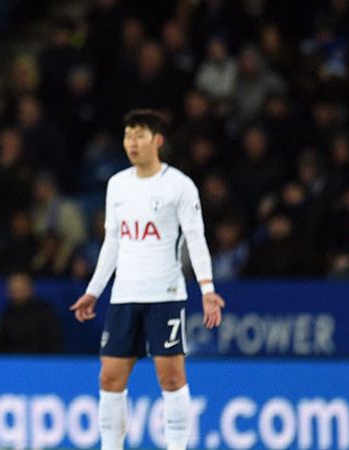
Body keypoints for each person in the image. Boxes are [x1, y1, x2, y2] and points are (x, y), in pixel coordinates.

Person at [69, 110, 226, 450]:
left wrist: (208, 290)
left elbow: (196, 238)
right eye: (127, 136)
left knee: (170, 378)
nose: (132, 143)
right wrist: (93, 291)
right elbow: (113, 242)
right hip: (124, 295)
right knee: (109, 378)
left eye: (139, 135)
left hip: (165, 294)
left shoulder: (179, 186)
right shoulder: (118, 185)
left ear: (158, 140)